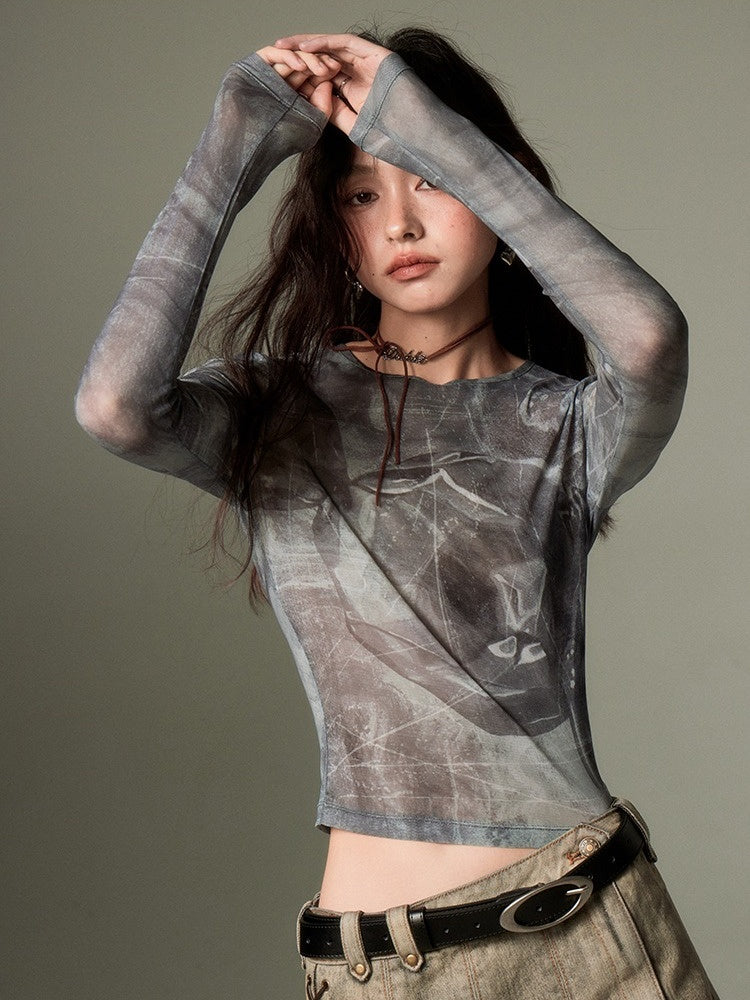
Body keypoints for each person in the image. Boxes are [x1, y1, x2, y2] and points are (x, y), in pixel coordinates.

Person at [75, 25, 718, 1000]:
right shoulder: (279, 409)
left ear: (495, 190)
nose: (403, 225)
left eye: (433, 181)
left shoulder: (566, 424)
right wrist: (236, 138)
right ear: (336, 229)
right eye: (363, 195)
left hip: (595, 940)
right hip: (377, 969)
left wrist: (430, 126)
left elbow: (649, 339)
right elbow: (115, 406)